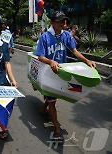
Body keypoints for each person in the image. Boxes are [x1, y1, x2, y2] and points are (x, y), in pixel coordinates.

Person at [36, 11, 96, 141]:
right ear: (52, 22)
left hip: (62, 73)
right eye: (59, 21)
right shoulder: (45, 37)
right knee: (52, 100)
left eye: (64, 21)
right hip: (49, 73)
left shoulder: (67, 36)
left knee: (55, 96)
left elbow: (74, 51)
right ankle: (57, 130)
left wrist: (86, 61)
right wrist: (50, 61)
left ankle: (43, 108)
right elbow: (40, 56)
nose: (63, 23)